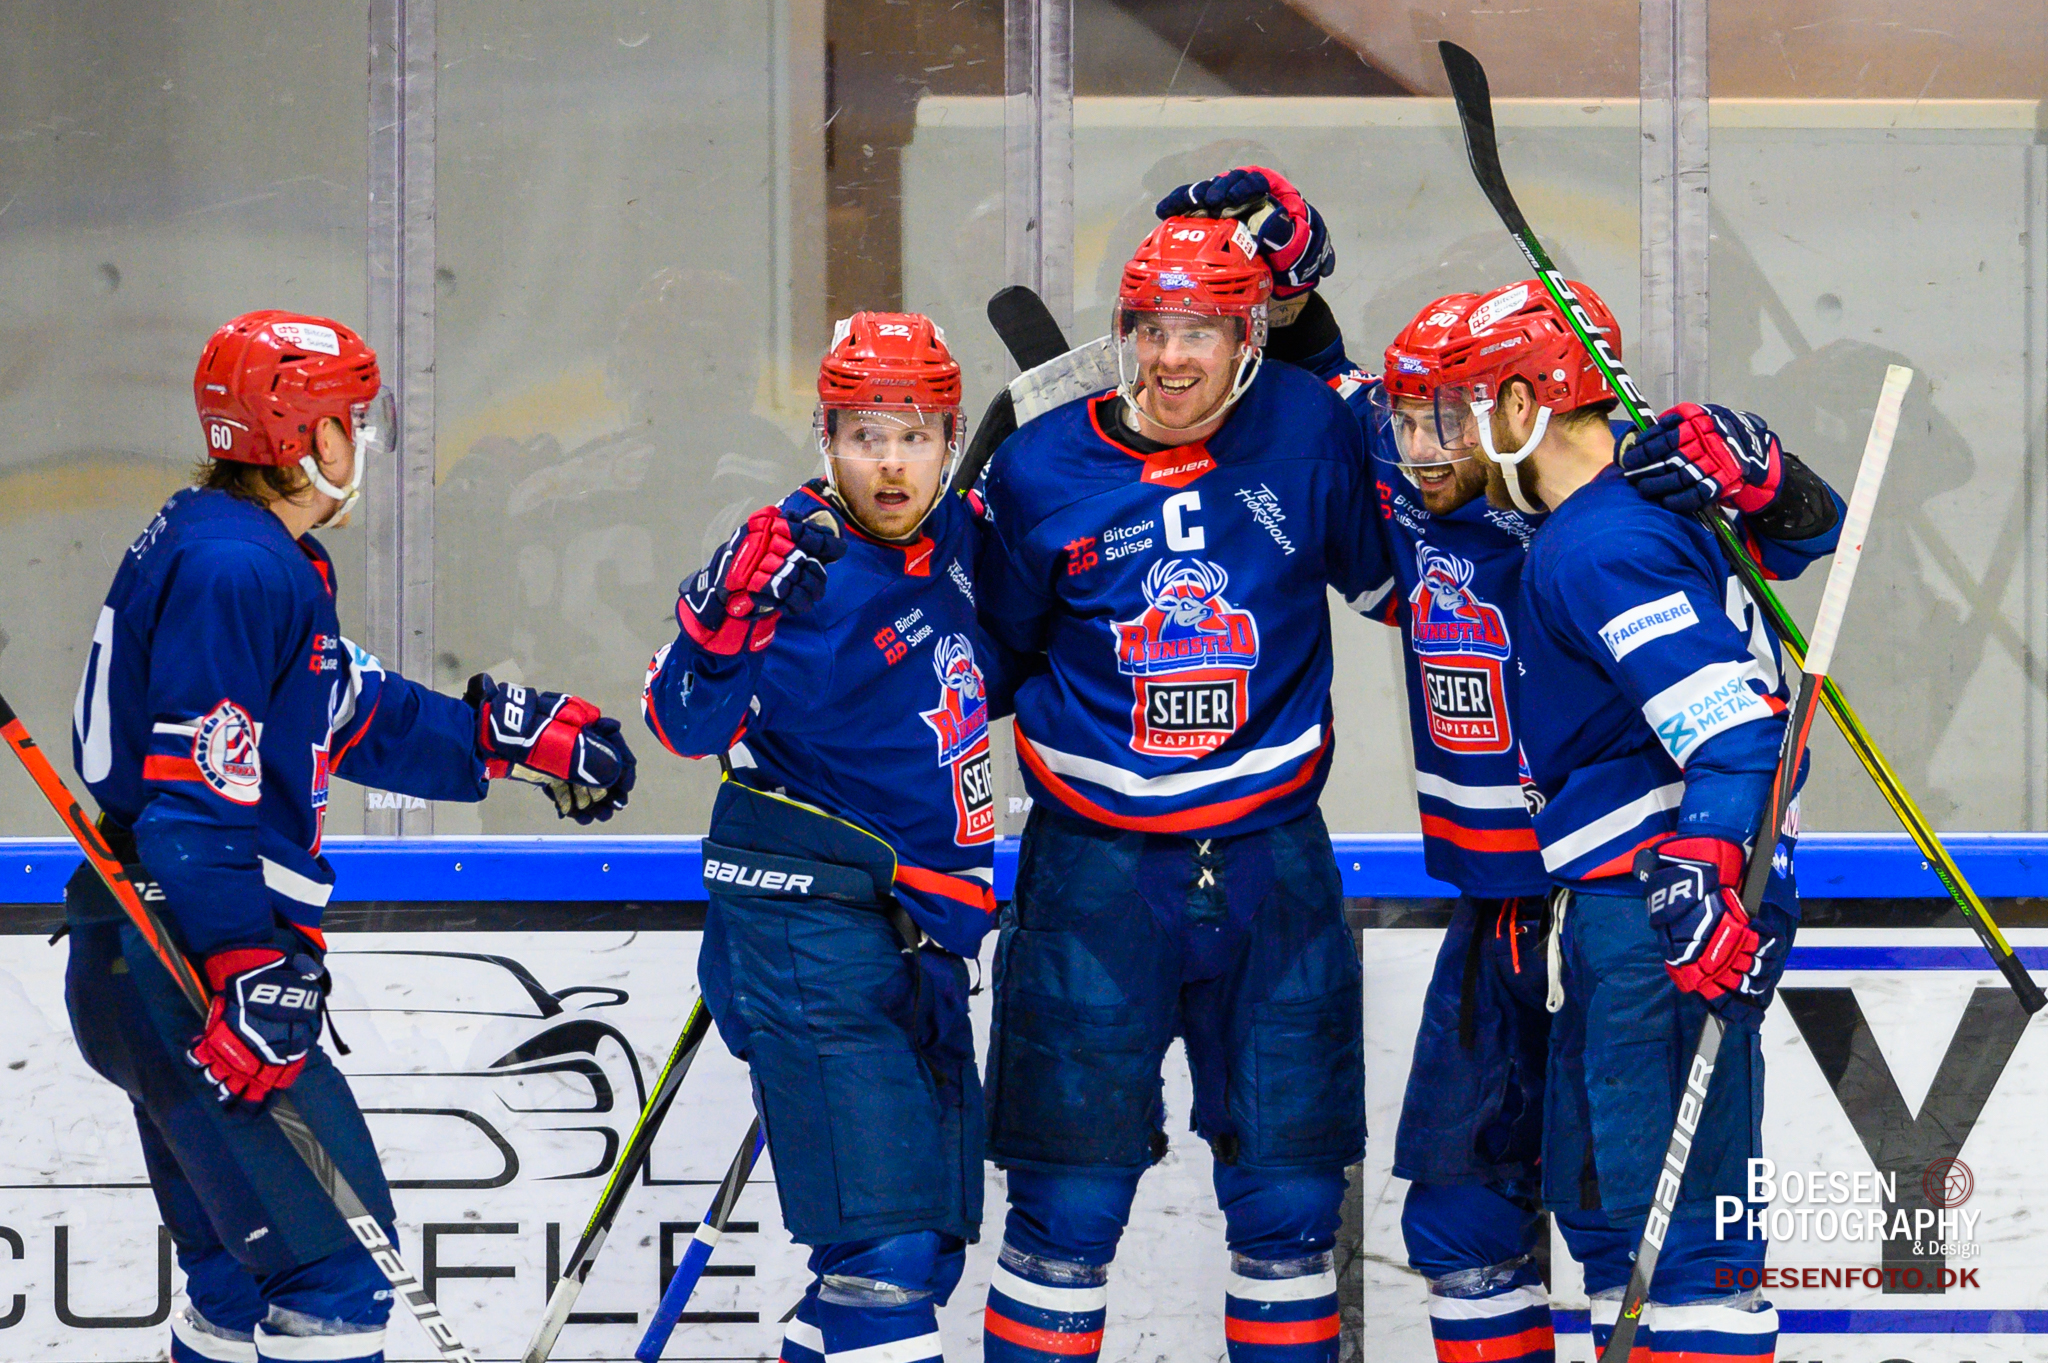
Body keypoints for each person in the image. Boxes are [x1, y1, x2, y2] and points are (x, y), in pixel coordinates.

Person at [1158, 166, 1850, 1363]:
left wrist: (1773, 479)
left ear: (1525, 401)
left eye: (1447, 414)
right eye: (1411, 417)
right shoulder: (1426, 466)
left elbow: (1783, 559)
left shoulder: (1612, 496)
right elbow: (1325, 396)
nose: (1415, 444)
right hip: (1509, 896)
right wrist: (1286, 295)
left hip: (1622, 885)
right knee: (1463, 1220)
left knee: (1652, 1237)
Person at [65, 310, 637, 1363]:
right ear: (307, 435)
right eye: (352, 418)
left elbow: (344, 709)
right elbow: (196, 800)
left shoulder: (240, 547)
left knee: (243, 1283)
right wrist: (245, 965)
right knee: (334, 1282)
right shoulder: (239, 570)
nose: (363, 439)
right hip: (188, 960)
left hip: (144, 947)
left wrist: (498, 741)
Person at [974, 210, 1380, 1363]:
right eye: (1148, 327)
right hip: (1090, 872)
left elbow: (1400, 576)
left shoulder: (1305, 426)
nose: (1167, 355)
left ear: (1248, 337)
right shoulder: (1037, 468)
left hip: (1270, 860)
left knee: (1289, 1209)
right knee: (1064, 1207)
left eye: (1197, 329)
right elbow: (986, 665)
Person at [1433, 276, 1838, 1363]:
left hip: (1652, 906)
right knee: (1616, 1225)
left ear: (1524, 404)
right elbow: (1808, 531)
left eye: (1462, 405)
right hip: (1623, 905)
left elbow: (1739, 731)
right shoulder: (1645, 507)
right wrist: (1775, 482)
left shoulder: (1598, 542)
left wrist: (1700, 868)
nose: (1447, 436)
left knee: (1686, 1249)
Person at [642, 312, 1002, 1363]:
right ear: (825, 437)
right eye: (863, 436)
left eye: (914, 436)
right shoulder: (793, 563)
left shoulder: (959, 540)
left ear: (948, 438)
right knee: (884, 1254)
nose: (889, 463)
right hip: (813, 931)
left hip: (920, 936)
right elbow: (681, 721)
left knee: (915, 1256)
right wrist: (718, 632)